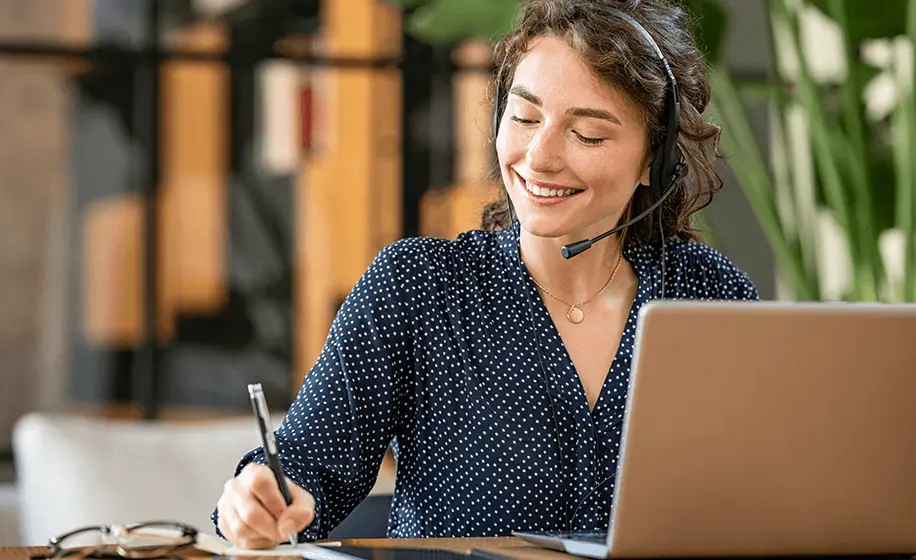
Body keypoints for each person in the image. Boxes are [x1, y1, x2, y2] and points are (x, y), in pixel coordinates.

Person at [212, 0, 759, 548]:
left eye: (587, 134)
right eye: (523, 118)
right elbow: (304, 472)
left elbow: (771, 493)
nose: (538, 156)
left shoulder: (712, 299)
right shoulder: (418, 287)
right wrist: (257, 500)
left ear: (654, 161)